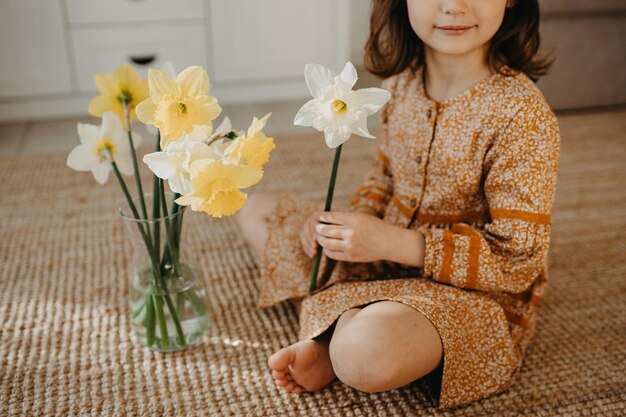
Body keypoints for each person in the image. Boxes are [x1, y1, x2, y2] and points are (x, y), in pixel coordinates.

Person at [236, 0, 560, 409]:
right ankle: (336, 325)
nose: (453, 6)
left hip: (469, 294)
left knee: (363, 354)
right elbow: (383, 179)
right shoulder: (399, 86)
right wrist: (347, 226)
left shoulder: (524, 115)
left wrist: (391, 243)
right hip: (378, 261)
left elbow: (519, 258)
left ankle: (332, 331)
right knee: (255, 209)